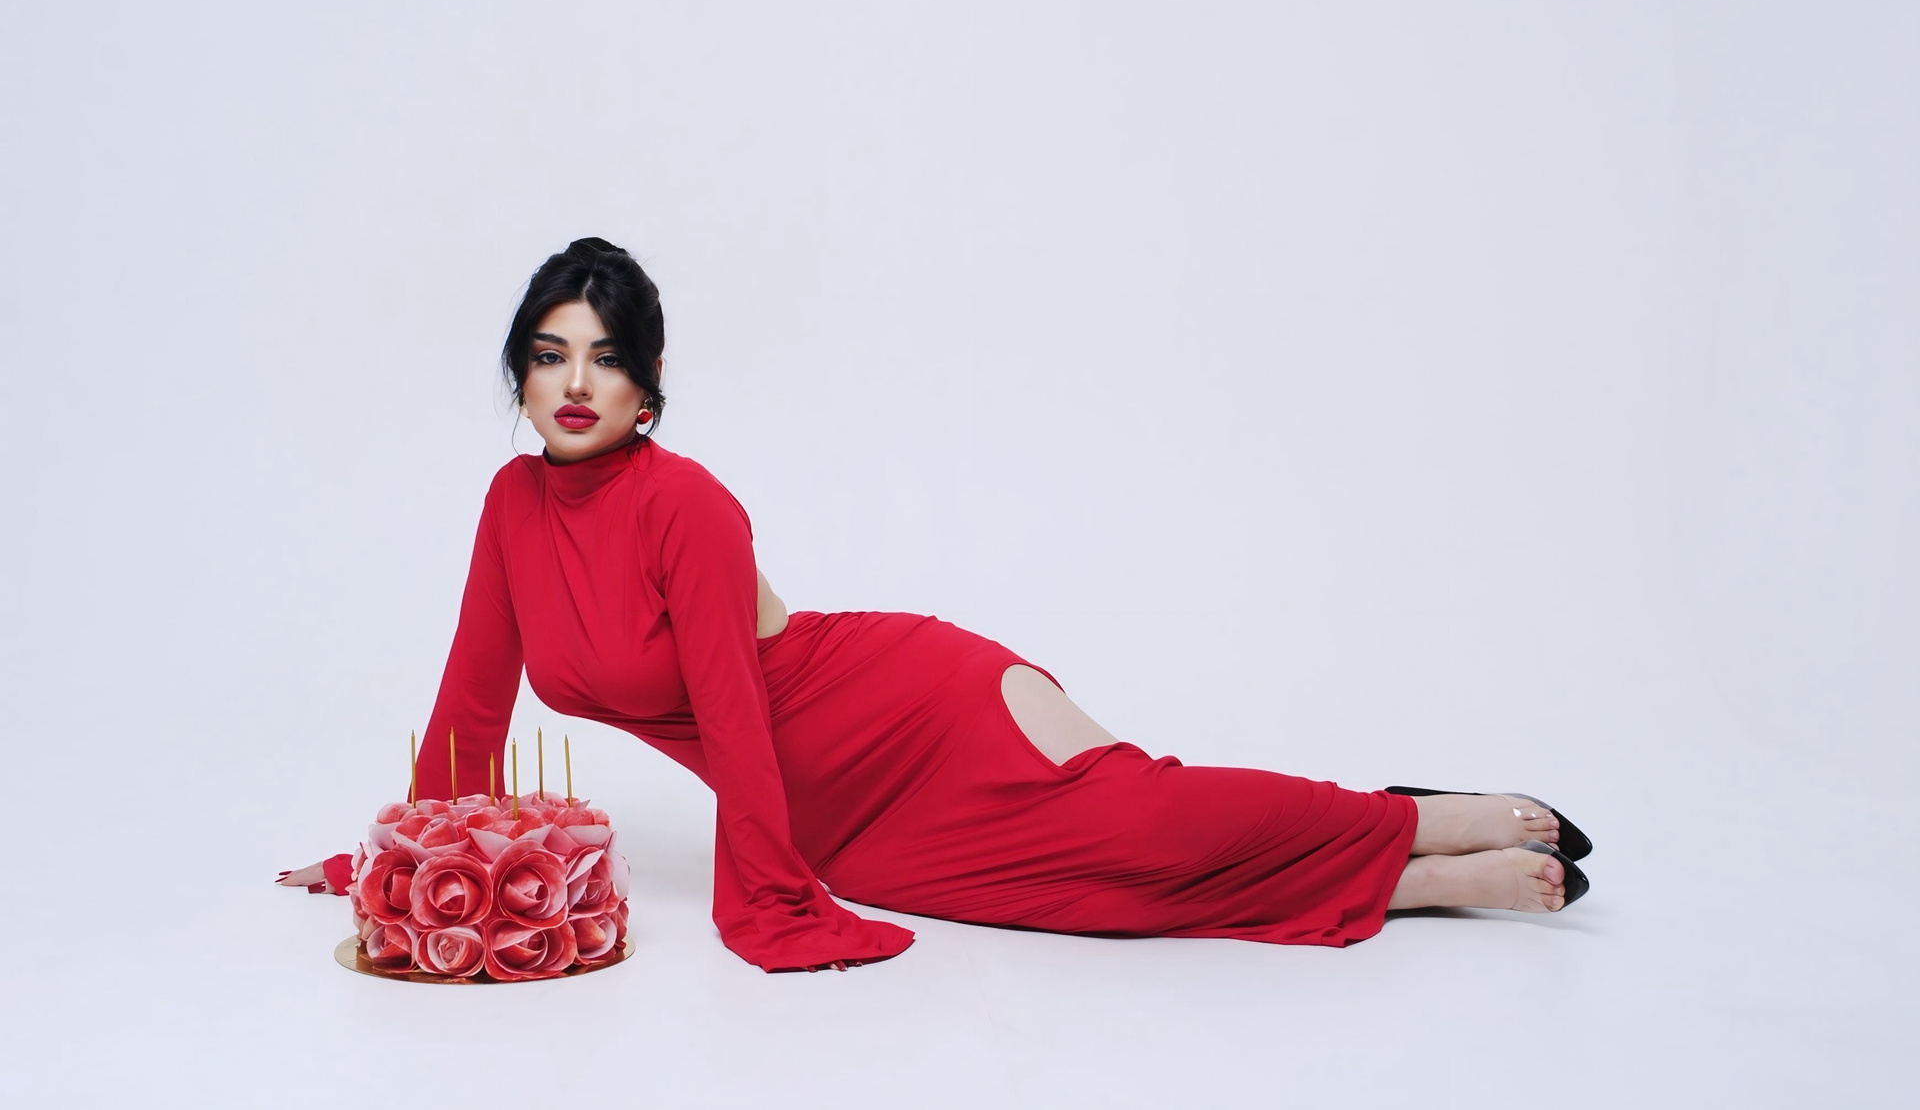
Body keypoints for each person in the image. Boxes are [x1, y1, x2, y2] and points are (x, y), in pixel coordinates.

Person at [280, 236, 1591, 973]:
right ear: (518, 372)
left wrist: (764, 898)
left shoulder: (689, 504)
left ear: (650, 380)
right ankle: (1409, 888)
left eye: (606, 358)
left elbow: (733, 710)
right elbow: (473, 698)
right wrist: (415, 857)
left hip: (908, 714)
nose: (576, 383)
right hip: (844, 827)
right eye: (550, 354)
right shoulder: (512, 506)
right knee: (1097, 899)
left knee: (1142, 821)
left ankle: (1413, 822)